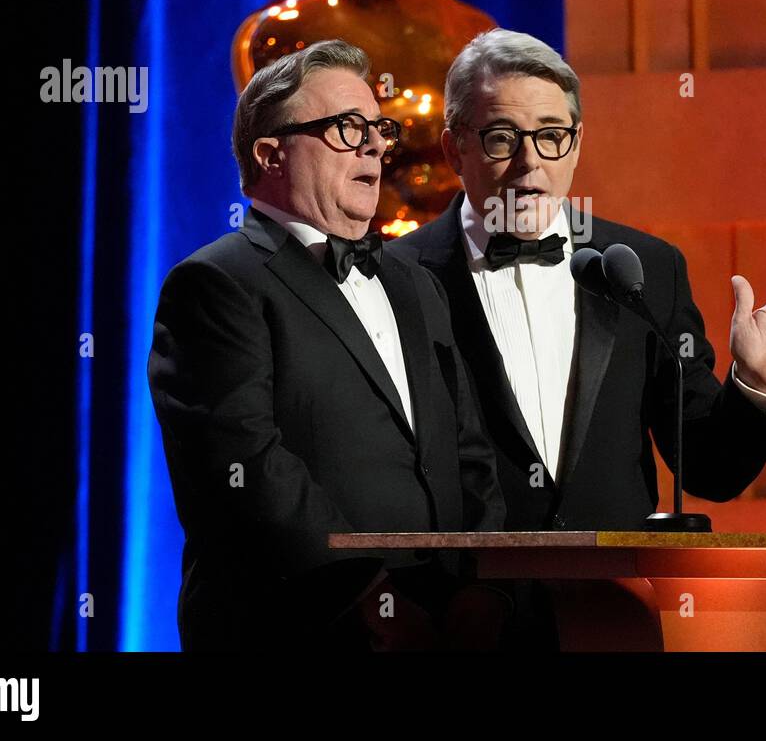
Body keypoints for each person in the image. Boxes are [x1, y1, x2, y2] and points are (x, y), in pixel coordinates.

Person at [395, 29, 766, 647]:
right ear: (455, 149)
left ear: (576, 144)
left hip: (619, 617)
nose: (532, 163)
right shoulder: (396, 280)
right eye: (503, 138)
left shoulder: (642, 266)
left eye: (552, 136)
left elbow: (710, 471)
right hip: (462, 623)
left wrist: (757, 383)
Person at [148, 39, 507, 651]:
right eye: (346, 128)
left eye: (378, 127)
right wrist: (371, 600)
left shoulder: (414, 283)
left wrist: (484, 587)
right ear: (270, 154)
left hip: (445, 628)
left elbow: (468, 452)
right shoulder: (216, 284)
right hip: (302, 627)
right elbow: (245, 468)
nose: (374, 144)